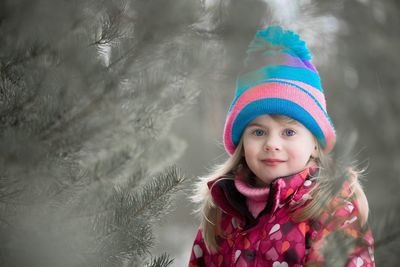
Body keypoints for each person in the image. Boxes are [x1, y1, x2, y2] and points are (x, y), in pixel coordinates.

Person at [188, 26, 375, 267]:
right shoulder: (223, 209)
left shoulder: (332, 209)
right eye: (258, 132)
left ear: (315, 146)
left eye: (288, 132)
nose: (272, 144)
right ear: (242, 145)